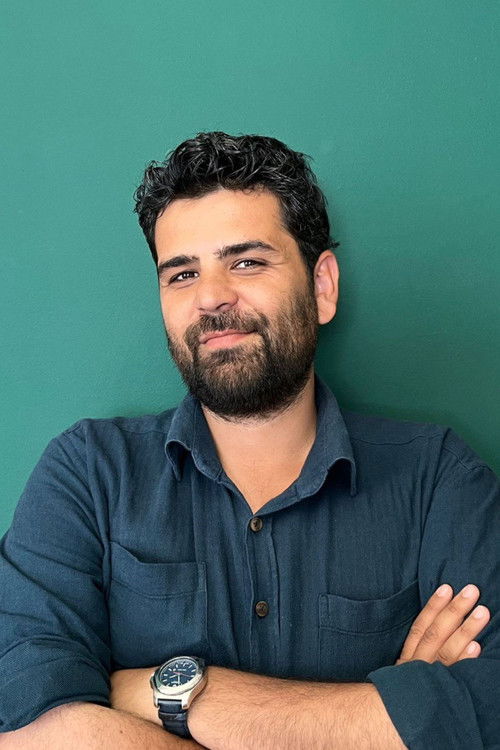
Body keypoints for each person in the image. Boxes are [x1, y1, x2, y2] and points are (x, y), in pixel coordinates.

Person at [0, 132, 498, 749]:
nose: (210, 296)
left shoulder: (440, 481)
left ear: (322, 286)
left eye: (246, 262)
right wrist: (386, 718)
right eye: (182, 273)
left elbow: (490, 712)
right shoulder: (88, 475)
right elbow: (33, 728)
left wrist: (160, 692)